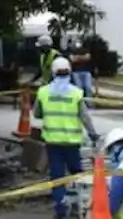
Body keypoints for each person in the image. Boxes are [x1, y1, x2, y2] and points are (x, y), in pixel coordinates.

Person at [35, 56, 98, 219]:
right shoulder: (76, 93)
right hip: (72, 143)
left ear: (53, 73)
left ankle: (61, 210)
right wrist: (93, 135)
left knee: (57, 177)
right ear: (69, 72)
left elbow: (37, 114)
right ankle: (78, 206)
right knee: (77, 175)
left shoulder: (43, 92)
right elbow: (85, 117)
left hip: (53, 143)